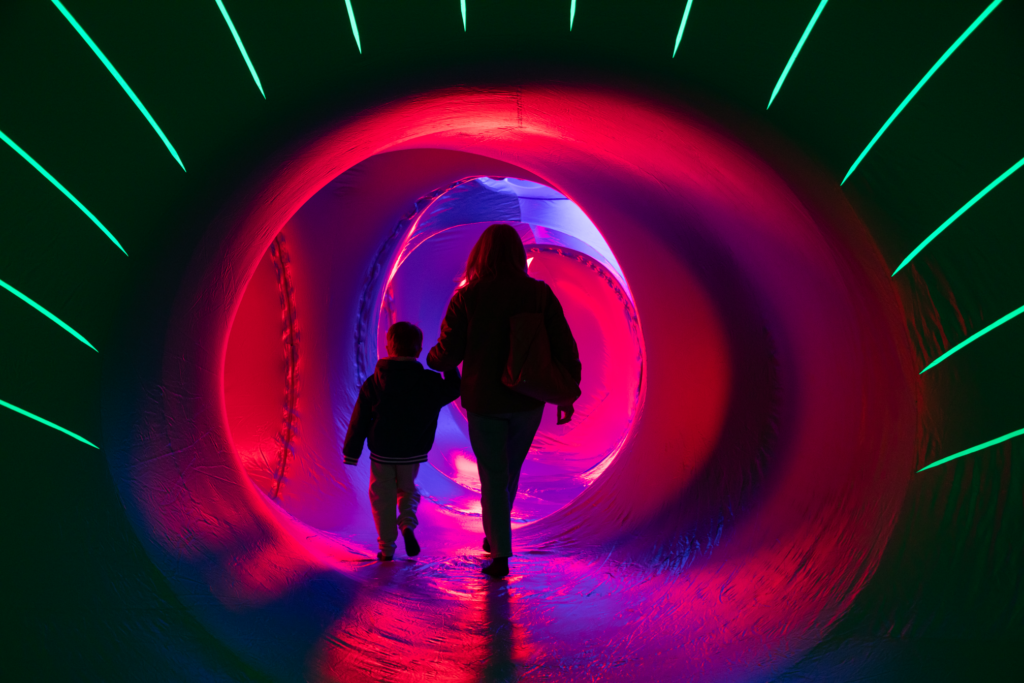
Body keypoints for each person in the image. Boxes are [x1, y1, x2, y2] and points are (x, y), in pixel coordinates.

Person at [427, 224, 581, 577]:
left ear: (480, 254)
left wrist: (432, 359)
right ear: (516, 254)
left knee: (493, 475)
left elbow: (447, 355)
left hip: (484, 401)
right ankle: (497, 537)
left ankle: (499, 551)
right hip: (528, 400)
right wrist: (566, 393)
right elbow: (564, 349)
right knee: (509, 472)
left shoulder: (468, 297)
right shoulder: (539, 295)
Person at [343, 321, 461, 561]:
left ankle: (386, 548)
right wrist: (446, 361)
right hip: (412, 451)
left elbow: (360, 418)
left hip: (382, 452)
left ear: (388, 347)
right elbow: (453, 389)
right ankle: (407, 523)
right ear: (418, 351)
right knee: (407, 489)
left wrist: (352, 452)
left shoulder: (375, 382)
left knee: (381, 496)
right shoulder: (428, 381)